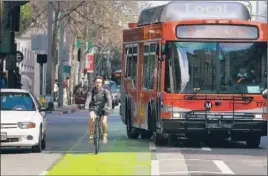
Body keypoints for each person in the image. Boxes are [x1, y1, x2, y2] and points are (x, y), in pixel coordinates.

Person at [85, 76, 112, 144]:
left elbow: (109, 100)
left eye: (99, 82)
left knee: (103, 122)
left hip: (103, 108)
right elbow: (88, 99)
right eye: (96, 82)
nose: (98, 84)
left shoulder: (106, 91)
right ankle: (91, 135)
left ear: (102, 83)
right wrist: (86, 105)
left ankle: (105, 135)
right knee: (91, 118)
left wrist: (109, 107)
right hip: (94, 108)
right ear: (94, 83)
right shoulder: (91, 92)